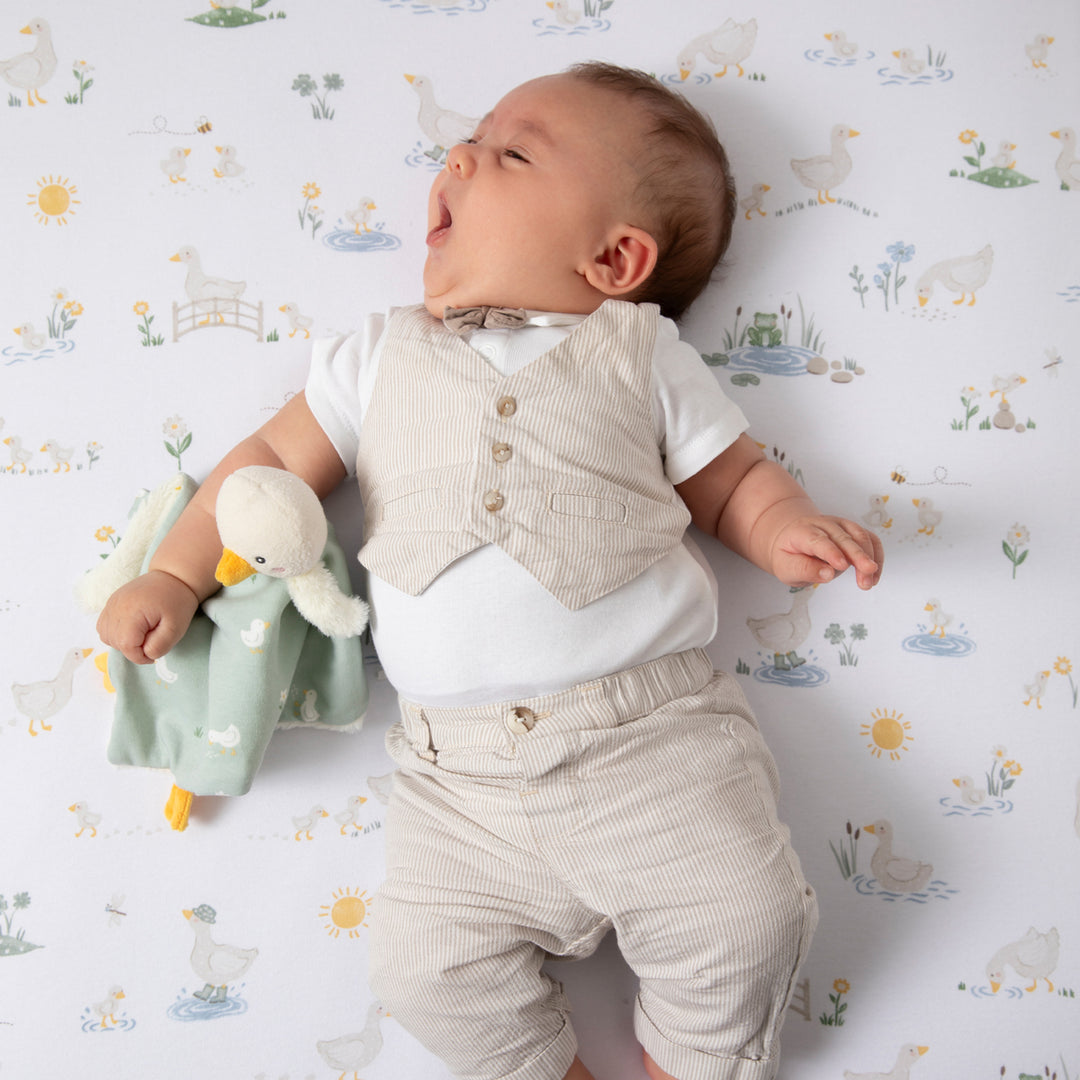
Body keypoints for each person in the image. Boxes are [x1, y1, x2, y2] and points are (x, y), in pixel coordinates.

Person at [98, 62, 882, 1080]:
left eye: (512, 153)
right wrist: (175, 574)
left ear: (615, 258)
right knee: (421, 972)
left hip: (650, 747)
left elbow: (731, 482)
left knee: (747, 916)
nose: (459, 158)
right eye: (469, 141)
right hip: (457, 786)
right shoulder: (376, 356)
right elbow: (267, 469)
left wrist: (784, 531)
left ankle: (690, 1063)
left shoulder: (643, 357)